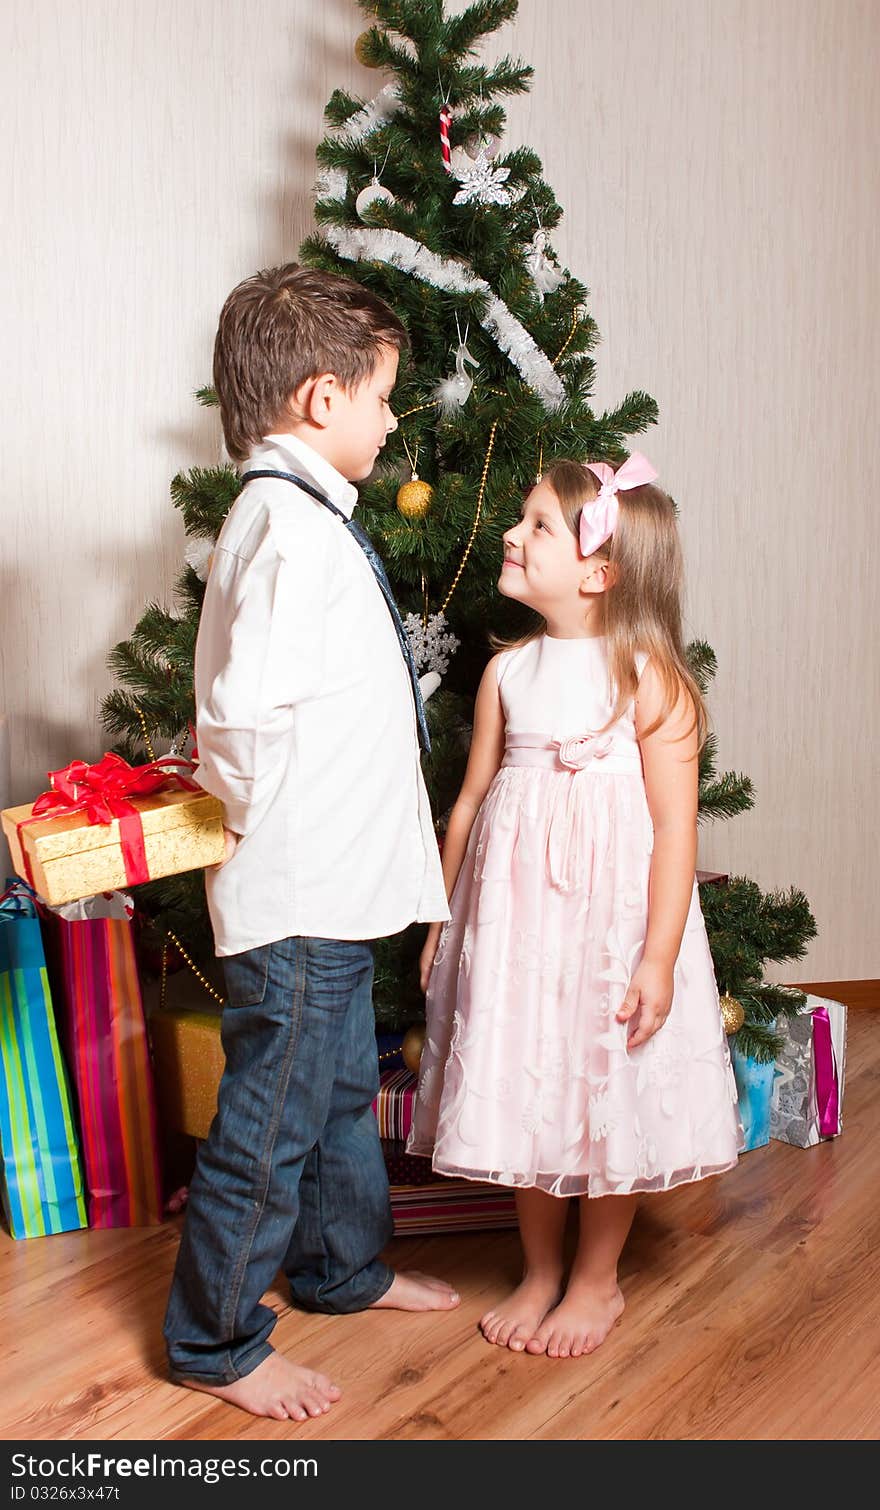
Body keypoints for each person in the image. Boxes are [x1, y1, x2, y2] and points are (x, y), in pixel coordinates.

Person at [164, 263, 458, 1423]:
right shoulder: (284, 527)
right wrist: (243, 818)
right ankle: (216, 1338)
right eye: (385, 395)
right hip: (292, 889)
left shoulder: (301, 519)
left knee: (337, 1091)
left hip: (332, 889)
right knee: (272, 1116)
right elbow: (239, 720)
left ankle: (342, 1268)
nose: (392, 419)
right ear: (322, 399)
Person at [408, 454, 743, 1360]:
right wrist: (440, 920)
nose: (512, 536)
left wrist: (659, 957)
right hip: (519, 926)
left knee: (606, 1084)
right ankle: (540, 1269)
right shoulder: (507, 675)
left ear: (598, 573)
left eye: (538, 526)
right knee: (531, 1076)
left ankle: (597, 1279)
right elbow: (471, 804)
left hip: (613, 927)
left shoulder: (652, 681)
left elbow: (675, 832)